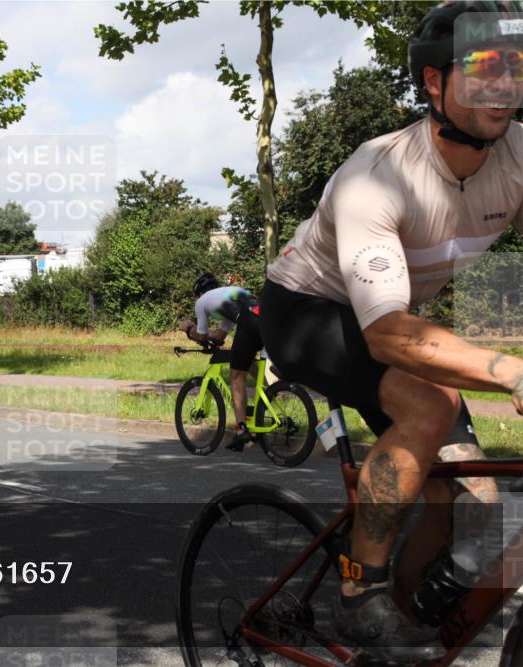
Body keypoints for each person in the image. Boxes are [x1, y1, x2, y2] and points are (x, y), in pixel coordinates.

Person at [259, 1, 523, 661]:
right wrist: (508, 369)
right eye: (485, 66)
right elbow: (383, 337)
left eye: (516, 67)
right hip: (308, 310)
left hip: (393, 314)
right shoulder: (375, 178)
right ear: (434, 83)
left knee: (473, 501)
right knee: (428, 402)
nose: (506, 84)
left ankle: (393, 632)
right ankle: (359, 591)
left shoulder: (517, 156)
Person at [180, 272, 264, 451]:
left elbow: (202, 335)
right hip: (266, 316)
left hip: (249, 321)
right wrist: (210, 336)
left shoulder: (202, 302)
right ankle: (271, 391)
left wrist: (188, 329)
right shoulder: (227, 295)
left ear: (199, 293)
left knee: (236, 376)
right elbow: (219, 336)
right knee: (245, 361)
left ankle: (241, 430)